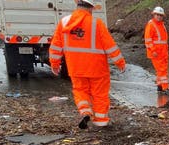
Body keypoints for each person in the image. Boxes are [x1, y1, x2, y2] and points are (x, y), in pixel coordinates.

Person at [49, 0, 125, 128]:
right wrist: (120, 62)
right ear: (91, 8)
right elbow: (110, 46)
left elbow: (56, 46)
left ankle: (85, 111)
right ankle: (101, 122)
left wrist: (55, 64)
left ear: (77, 4)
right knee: (99, 95)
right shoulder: (97, 24)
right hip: (97, 68)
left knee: (80, 91)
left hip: (75, 67)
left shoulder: (64, 23)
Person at [144, 7, 169, 92]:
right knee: (161, 70)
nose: (159, 16)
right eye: (157, 15)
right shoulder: (151, 24)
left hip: (163, 52)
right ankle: (165, 87)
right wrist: (153, 50)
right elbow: (148, 39)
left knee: (162, 70)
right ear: (154, 15)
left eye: (160, 15)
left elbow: (163, 41)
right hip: (156, 52)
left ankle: (160, 86)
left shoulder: (161, 24)